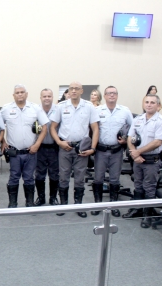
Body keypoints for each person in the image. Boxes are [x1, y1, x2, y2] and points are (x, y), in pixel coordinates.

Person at [49, 81, 99, 218]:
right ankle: (64, 204)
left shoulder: (88, 107)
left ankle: (78, 205)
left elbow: (95, 129)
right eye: (71, 89)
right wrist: (59, 142)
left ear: (82, 91)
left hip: (81, 149)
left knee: (79, 178)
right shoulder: (61, 106)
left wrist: (93, 148)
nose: (74, 91)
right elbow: (52, 127)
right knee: (63, 177)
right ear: (69, 91)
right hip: (65, 147)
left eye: (77, 89)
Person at [123, 94, 162, 228]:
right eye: (147, 102)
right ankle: (137, 209)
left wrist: (138, 152)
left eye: (152, 103)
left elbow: (157, 142)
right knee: (138, 185)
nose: (149, 104)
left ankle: (148, 215)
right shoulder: (138, 119)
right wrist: (134, 153)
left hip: (151, 160)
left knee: (149, 187)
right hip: (137, 159)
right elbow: (130, 137)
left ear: (158, 106)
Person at [1, 84, 49, 208]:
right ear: (13, 95)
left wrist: (37, 144)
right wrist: (3, 142)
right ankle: (12, 203)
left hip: (30, 151)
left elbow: (45, 127)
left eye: (22, 92)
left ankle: (29, 202)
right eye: (17, 92)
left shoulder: (35, 108)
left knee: (29, 178)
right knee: (13, 178)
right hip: (14, 152)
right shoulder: (6, 109)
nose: (20, 94)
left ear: (26, 94)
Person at [92, 86, 133, 217]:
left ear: (117, 96)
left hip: (117, 150)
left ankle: (113, 205)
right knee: (98, 178)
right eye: (109, 93)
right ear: (104, 96)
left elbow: (132, 130)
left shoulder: (125, 111)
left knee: (115, 179)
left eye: (114, 93)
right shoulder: (97, 110)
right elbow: (92, 129)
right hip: (101, 150)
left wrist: (126, 140)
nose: (112, 95)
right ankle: (98, 205)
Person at [34, 88, 60, 206]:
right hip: (40, 147)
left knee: (54, 174)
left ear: (52, 97)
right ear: (40, 98)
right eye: (44, 96)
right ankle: (41, 198)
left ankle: (53, 198)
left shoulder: (58, 109)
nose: (47, 98)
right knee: (39, 175)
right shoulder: (35, 110)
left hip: (55, 147)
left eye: (49, 96)